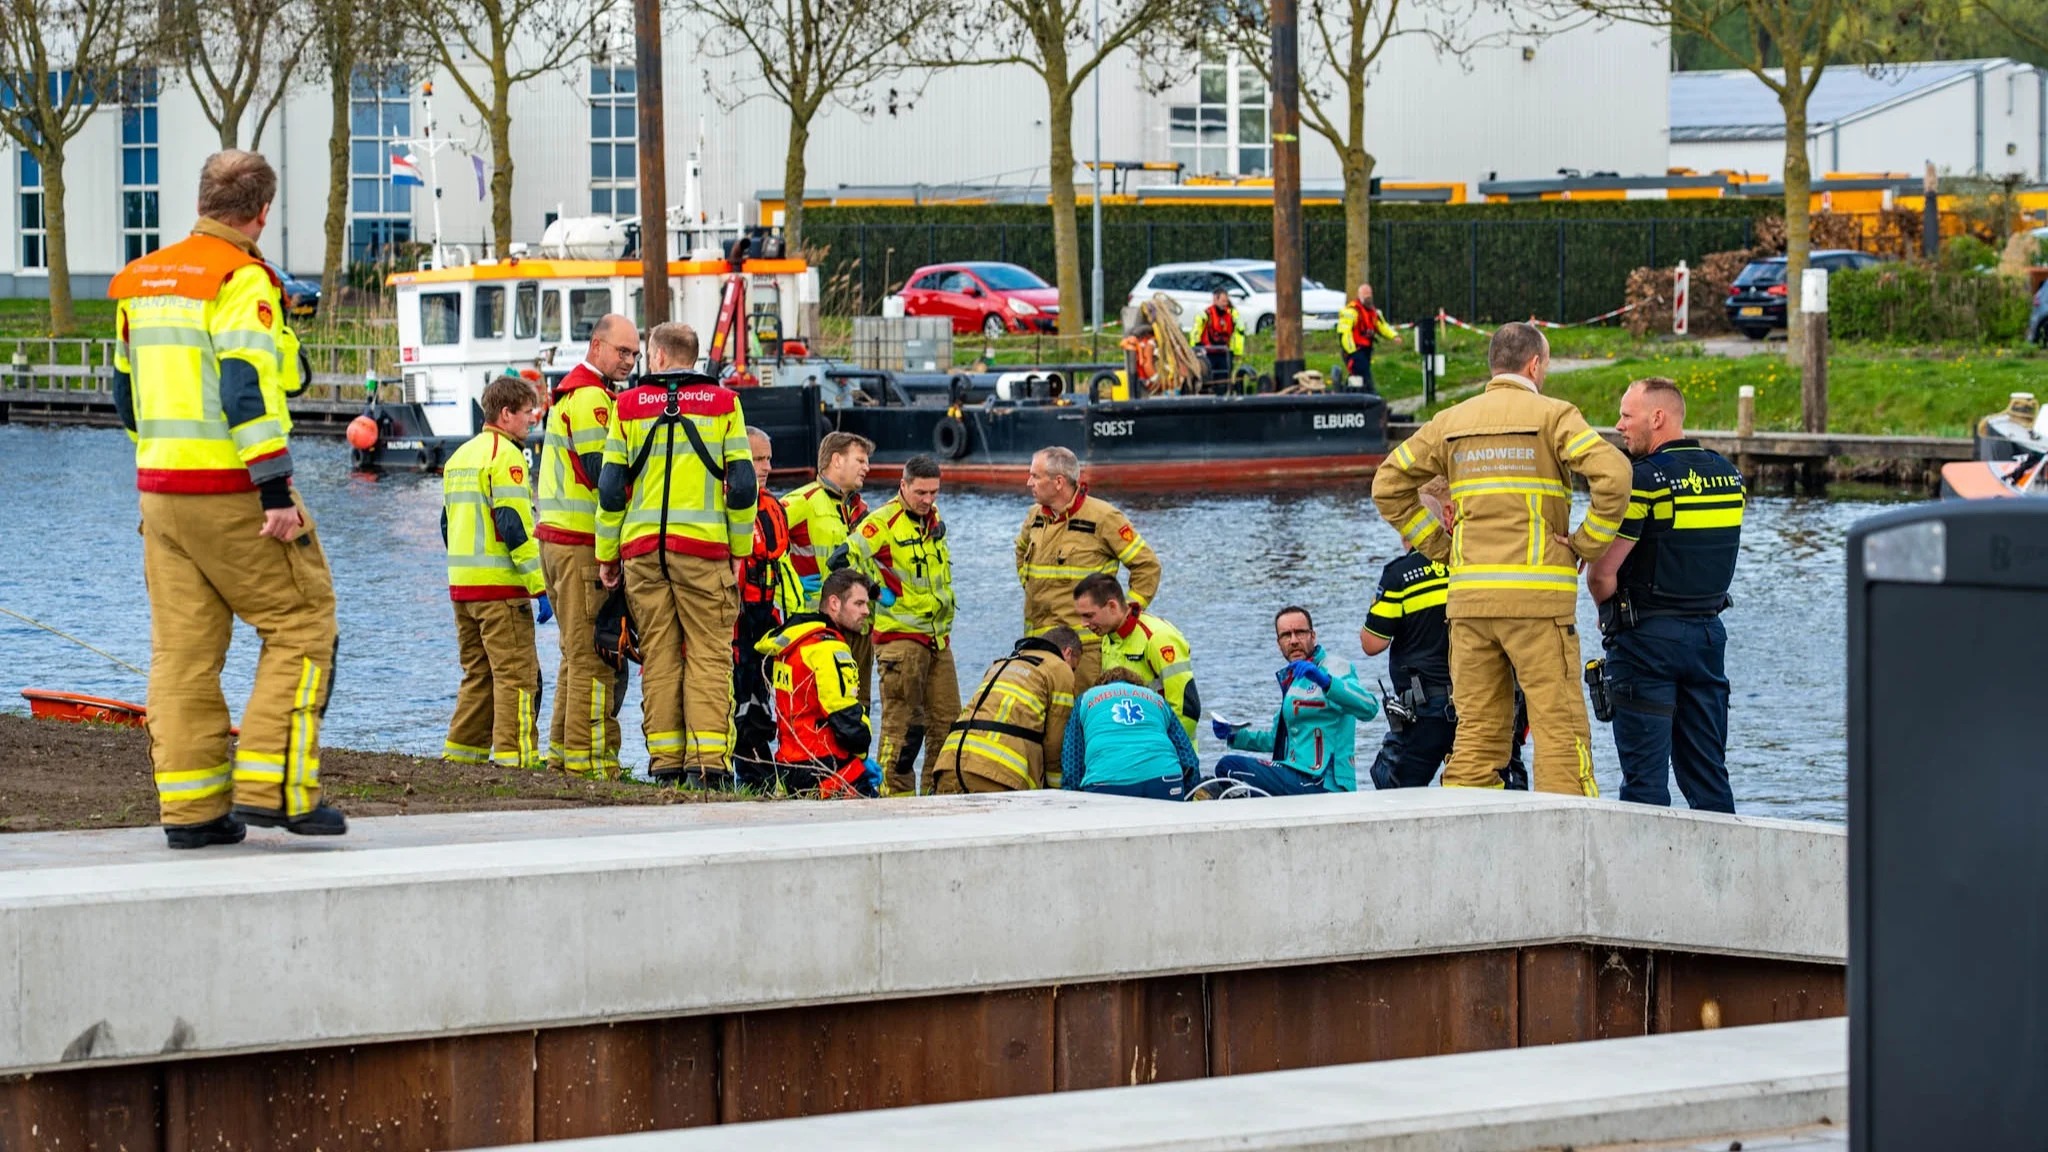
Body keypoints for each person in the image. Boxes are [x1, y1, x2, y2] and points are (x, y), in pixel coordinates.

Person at [110, 149, 344, 846]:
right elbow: (245, 389)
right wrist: (274, 491)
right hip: (233, 488)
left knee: (183, 653)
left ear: (202, 202)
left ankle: (193, 812)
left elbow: (125, 396)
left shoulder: (142, 281)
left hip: (160, 493)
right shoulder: (241, 280)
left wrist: (161, 464)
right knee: (303, 621)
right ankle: (275, 789)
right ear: (262, 213)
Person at [1371, 321, 1632, 797]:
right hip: (1538, 604)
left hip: (1470, 604)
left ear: (1494, 364)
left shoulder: (1450, 422)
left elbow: (1387, 485)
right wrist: (1586, 543)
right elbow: (1614, 474)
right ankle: (1563, 831)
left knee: (1476, 733)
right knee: (1558, 728)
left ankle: (1470, 825)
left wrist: (1442, 548)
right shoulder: (1553, 416)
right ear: (1534, 365)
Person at [596, 322, 756, 787]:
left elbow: (611, 488)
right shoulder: (725, 404)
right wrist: (739, 548)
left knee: (659, 656)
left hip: (643, 551)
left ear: (659, 356)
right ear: (694, 356)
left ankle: (665, 766)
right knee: (708, 655)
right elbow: (742, 485)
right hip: (704, 550)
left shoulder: (627, 406)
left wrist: (608, 554)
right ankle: (707, 768)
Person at [1586, 377, 1744, 813]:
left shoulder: (1644, 480)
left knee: (1645, 786)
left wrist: (1607, 612)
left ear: (1657, 418)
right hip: (1708, 639)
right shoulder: (1729, 476)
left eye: (1626, 415)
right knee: (1708, 776)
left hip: (1646, 643)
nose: (1619, 425)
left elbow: (1602, 574)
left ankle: (1645, 861)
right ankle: (1719, 857)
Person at [537, 312, 637, 779]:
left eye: (635, 354)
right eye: (622, 351)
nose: (629, 361)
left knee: (574, 656)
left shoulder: (572, 395)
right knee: (596, 658)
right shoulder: (593, 399)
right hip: (580, 544)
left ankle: (562, 756)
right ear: (596, 346)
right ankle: (592, 764)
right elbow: (606, 477)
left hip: (559, 540)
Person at [440, 375, 550, 770]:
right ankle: (516, 759)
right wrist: (540, 587)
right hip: (501, 590)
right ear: (506, 414)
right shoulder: (506, 457)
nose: (532, 420)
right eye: (527, 413)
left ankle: (460, 758)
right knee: (516, 676)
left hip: (462, 588)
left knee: (478, 674)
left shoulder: (459, 457)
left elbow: (446, 525)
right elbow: (513, 526)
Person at [849, 454, 960, 796]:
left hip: (937, 638)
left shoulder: (932, 519)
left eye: (934, 493)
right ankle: (890, 797)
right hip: (900, 641)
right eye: (920, 493)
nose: (927, 500)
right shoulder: (882, 522)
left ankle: (940, 797)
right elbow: (845, 557)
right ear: (903, 486)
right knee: (903, 728)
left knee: (949, 724)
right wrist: (872, 592)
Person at [1015, 446, 1160, 698]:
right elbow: (1021, 551)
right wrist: (1030, 586)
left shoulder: (1104, 518)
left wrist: (1126, 614)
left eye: (1035, 476)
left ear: (1059, 482)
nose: (1029, 483)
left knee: (1086, 714)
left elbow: (1146, 566)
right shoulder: (1035, 517)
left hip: (1085, 653)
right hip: (1038, 648)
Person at [1213, 607, 1380, 795]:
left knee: (1229, 766)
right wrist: (1233, 735)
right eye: (1286, 635)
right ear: (1279, 644)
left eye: (1299, 632)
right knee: (1217, 784)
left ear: (1313, 636)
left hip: (1325, 782)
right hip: (1292, 775)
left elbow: (1370, 707)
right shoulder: (1292, 680)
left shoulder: (1336, 668)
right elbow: (1275, 740)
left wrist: (1326, 682)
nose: (1293, 641)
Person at [752, 568, 880, 797]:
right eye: (859, 604)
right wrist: (862, 757)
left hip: (790, 763)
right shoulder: (828, 648)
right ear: (834, 603)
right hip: (823, 765)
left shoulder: (794, 642)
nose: (866, 611)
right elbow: (847, 723)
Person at [934, 628, 1082, 794]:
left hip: (949, 763)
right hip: (999, 773)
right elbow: (1055, 743)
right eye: (1074, 668)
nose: (1073, 673)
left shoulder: (1002, 663)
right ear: (1068, 653)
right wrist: (1058, 791)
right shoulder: (1060, 669)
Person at [785, 431, 874, 700]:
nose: (867, 468)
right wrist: (790, 584)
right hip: (818, 628)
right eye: (860, 460)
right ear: (837, 460)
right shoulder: (802, 501)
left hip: (859, 627)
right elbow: (758, 545)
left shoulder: (859, 509)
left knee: (859, 708)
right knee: (823, 707)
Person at [734, 425, 799, 790]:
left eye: (769, 459)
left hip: (767, 618)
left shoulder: (773, 507)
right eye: (758, 459)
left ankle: (758, 774)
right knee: (734, 699)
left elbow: (783, 568)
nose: (767, 467)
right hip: (733, 620)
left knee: (762, 701)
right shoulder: (722, 504)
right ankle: (737, 770)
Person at [1072, 573, 1200, 745]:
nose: (1083, 624)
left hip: (1165, 751)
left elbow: (1186, 709)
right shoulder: (1108, 638)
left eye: (1089, 615)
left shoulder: (1158, 637)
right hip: (1129, 748)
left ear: (1112, 606)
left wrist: (1161, 749)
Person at [1061, 668, 1198, 800]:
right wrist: (1185, 795)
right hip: (1165, 779)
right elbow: (1189, 758)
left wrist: (1075, 797)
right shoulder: (1157, 699)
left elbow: (1072, 758)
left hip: (1105, 783)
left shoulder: (1086, 699)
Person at [1337, 283, 1401, 394]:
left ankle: (1351, 395)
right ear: (1359, 295)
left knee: (1358, 379)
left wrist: (1394, 336)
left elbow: (1382, 326)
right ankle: (1373, 397)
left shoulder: (1373, 312)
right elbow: (1345, 333)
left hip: (1366, 351)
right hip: (1355, 351)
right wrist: (1352, 352)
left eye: (1369, 294)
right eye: (1365, 294)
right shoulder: (1351, 311)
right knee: (1365, 376)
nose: (1368, 297)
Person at [1189, 287, 1244, 390]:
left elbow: (1239, 332)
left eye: (1226, 301)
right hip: (1208, 353)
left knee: (1224, 379)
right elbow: (1195, 331)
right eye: (1223, 301)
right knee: (1208, 379)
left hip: (1225, 352)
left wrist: (1237, 352)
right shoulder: (1205, 314)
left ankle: (1223, 392)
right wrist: (1196, 348)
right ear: (1215, 299)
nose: (1225, 304)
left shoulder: (1232, 314)